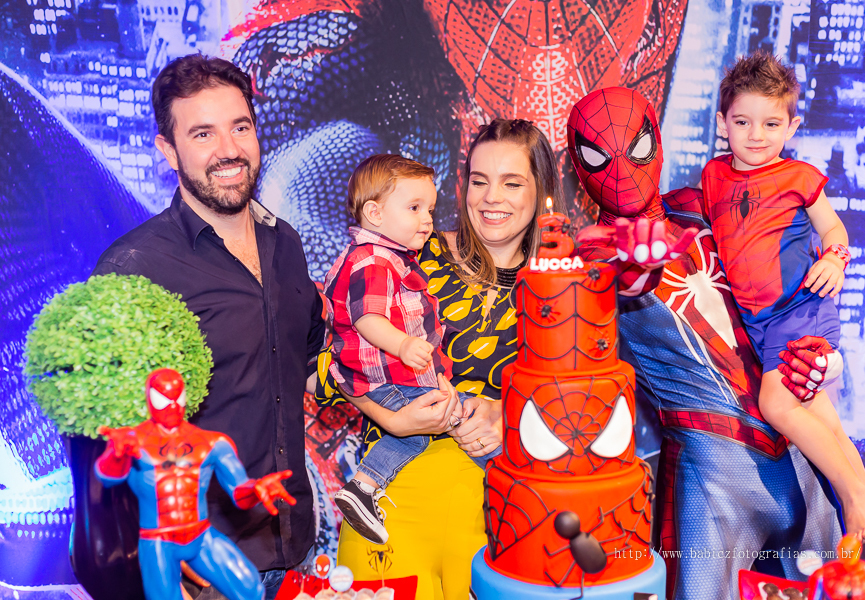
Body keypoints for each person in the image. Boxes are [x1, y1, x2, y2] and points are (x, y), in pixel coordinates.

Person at [568, 86, 865, 600]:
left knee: (836, 584)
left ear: (658, 141)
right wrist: (633, 259)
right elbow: (622, 277)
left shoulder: (702, 203)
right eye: (601, 155)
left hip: (799, 453)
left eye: (636, 147)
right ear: (579, 163)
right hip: (712, 471)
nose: (621, 170)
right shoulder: (593, 254)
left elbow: (785, 263)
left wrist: (819, 342)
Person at [92, 54, 326, 600]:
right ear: (167, 150)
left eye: (239, 126)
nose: (229, 150)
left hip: (298, 550)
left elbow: (306, 365)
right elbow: (105, 443)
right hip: (201, 571)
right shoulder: (134, 268)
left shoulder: (286, 243)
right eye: (203, 133)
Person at [316, 118, 566, 599]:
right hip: (388, 507)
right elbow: (328, 356)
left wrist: (505, 411)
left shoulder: (566, 285)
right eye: (478, 180)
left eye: (512, 183)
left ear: (541, 190)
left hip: (497, 518)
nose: (491, 197)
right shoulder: (405, 253)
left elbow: (586, 404)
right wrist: (387, 414)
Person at [702, 52, 865, 542]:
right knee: (822, 418)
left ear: (792, 126)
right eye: (742, 121)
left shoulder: (799, 177)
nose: (756, 135)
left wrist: (833, 260)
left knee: (779, 407)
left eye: (770, 123)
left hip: (802, 309)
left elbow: (834, 227)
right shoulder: (713, 177)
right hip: (760, 324)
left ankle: (855, 497)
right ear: (723, 123)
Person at [324, 154, 500, 546]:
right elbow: (366, 318)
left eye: (431, 210)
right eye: (415, 208)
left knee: (441, 415)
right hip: (382, 375)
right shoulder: (373, 260)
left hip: (394, 373)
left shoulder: (391, 259)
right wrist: (403, 345)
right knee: (434, 421)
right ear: (375, 212)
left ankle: (367, 487)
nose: (427, 220)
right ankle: (366, 486)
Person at [95, 369, 296, 600]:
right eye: (163, 398)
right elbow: (108, 478)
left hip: (200, 536)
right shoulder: (133, 440)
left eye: (177, 397)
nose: (172, 405)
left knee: (250, 587)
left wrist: (256, 489)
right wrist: (116, 455)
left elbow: (239, 492)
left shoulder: (210, 442)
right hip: (157, 541)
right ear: (149, 398)